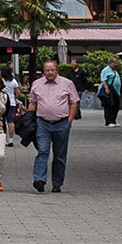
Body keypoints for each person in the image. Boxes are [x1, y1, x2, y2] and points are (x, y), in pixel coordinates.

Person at [28, 59, 80, 194]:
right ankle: (39, 179)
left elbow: (74, 103)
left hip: (61, 123)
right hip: (42, 123)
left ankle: (57, 183)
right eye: (47, 70)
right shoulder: (37, 84)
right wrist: (29, 120)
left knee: (59, 155)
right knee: (43, 151)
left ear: (57, 70)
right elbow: (33, 103)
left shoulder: (67, 84)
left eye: (52, 70)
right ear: (43, 71)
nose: (50, 72)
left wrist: (69, 121)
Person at [98, 57, 122, 126]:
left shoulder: (114, 71)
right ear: (111, 63)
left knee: (116, 105)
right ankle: (108, 121)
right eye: (115, 63)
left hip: (115, 91)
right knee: (109, 106)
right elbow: (103, 80)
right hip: (109, 90)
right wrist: (106, 88)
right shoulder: (105, 70)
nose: (116, 65)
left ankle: (113, 120)